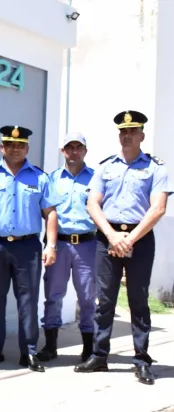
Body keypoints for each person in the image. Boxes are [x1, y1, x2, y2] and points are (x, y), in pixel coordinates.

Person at [75, 111, 171, 385]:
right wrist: (112, 236)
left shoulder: (156, 168)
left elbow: (158, 208)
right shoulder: (106, 166)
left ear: (142, 135)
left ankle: (141, 360)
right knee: (104, 300)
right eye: (123, 131)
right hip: (108, 237)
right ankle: (99, 356)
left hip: (140, 237)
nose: (127, 136)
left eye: (132, 131)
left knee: (138, 300)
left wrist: (129, 239)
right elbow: (93, 203)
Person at [0, 125, 59, 373]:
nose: (15, 149)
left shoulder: (40, 178)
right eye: (10, 145)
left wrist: (51, 245)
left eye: (20, 145)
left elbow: (50, 213)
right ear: (2, 147)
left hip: (28, 247)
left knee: (28, 301)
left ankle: (29, 352)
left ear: (27, 148)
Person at [37, 133, 97, 363]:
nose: (74, 151)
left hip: (87, 245)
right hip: (59, 244)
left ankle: (89, 348)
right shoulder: (51, 179)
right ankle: (50, 345)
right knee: (53, 295)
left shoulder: (96, 179)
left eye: (78, 147)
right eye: (69, 147)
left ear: (85, 150)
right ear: (63, 151)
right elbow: (45, 211)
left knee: (88, 297)